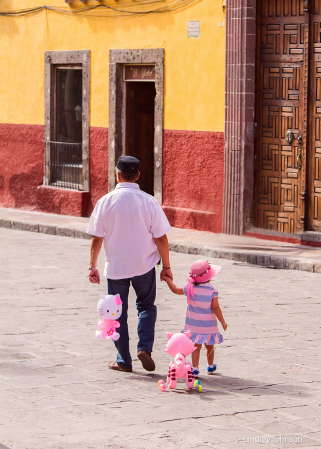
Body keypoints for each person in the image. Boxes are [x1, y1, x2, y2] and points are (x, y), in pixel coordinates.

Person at [87, 155, 172, 373]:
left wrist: (92, 266)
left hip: (116, 268)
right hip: (144, 266)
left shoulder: (105, 202)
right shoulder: (149, 201)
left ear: (117, 174)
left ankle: (123, 360)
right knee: (146, 306)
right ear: (138, 175)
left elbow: (96, 238)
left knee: (116, 314)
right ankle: (144, 348)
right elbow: (161, 238)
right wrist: (167, 267)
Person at [162, 260, 227, 377]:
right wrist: (222, 321)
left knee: (196, 347)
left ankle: (195, 369)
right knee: (209, 345)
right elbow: (216, 307)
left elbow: (175, 289)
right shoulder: (212, 290)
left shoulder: (190, 288)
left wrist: (168, 280)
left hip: (193, 326)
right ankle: (210, 366)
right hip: (208, 326)